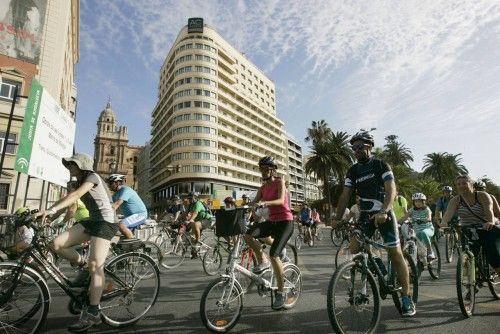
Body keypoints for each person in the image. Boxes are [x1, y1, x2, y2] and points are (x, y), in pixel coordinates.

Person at [332, 130, 416, 317]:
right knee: (355, 247)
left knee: (395, 253)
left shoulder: (380, 165)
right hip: (366, 215)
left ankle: (406, 297)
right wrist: (337, 218)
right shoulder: (353, 170)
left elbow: (391, 189)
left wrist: (385, 211)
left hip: (384, 213)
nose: (357, 150)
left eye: (360, 146)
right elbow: (345, 195)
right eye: (354, 147)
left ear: (370, 147)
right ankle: (375, 261)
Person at [35, 153, 117, 332]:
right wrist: (48, 214)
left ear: (82, 166)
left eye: (73, 164)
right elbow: (68, 199)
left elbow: (78, 195)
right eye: (69, 164)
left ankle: (94, 313)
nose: (70, 166)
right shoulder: (77, 182)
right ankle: (84, 265)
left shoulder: (92, 177)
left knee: (96, 265)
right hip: (92, 220)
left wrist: (52, 209)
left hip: (106, 222)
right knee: (55, 244)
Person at [244, 156, 294, 310]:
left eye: (266, 169)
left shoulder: (280, 182)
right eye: (261, 169)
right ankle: (262, 261)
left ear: (273, 170)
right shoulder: (263, 187)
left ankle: (281, 292)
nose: (264, 171)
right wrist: (245, 206)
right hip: (272, 222)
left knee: (274, 255)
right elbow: (254, 202)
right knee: (248, 234)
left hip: (285, 222)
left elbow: (280, 200)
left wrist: (263, 203)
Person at [440, 175, 500, 276]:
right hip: (467, 229)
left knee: (493, 257)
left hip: (486, 227)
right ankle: (473, 279)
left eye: (464, 183)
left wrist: (489, 222)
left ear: (471, 185)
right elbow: (448, 213)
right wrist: (443, 223)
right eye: (458, 184)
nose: (461, 186)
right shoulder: (455, 200)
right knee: (469, 257)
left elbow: (489, 210)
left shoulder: (482, 195)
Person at [107, 174, 148, 239]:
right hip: (129, 217)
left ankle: (133, 244)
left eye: (111, 183)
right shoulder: (116, 195)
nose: (109, 185)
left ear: (117, 183)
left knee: (121, 225)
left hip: (140, 215)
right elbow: (109, 204)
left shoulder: (126, 190)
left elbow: (117, 204)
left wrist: (107, 213)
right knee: (122, 240)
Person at [398, 193, 436, 261]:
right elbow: (404, 217)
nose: (418, 203)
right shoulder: (412, 210)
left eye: (420, 201)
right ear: (413, 202)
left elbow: (429, 218)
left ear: (423, 202)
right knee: (412, 239)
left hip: (428, 229)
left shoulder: (427, 209)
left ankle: (430, 252)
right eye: (416, 201)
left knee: (424, 233)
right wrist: (396, 222)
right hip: (417, 231)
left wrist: (423, 220)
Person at [185, 191, 213, 256]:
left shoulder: (198, 203)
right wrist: (178, 220)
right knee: (192, 237)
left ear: (195, 197)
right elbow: (184, 214)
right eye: (189, 198)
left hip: (207, 220)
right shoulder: (190, 205)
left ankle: (198, 240)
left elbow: (195, 213)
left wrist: (190, 220)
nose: (189, 199)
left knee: (195, 224)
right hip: (199, 221)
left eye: (190, 198)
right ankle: (195, 252)